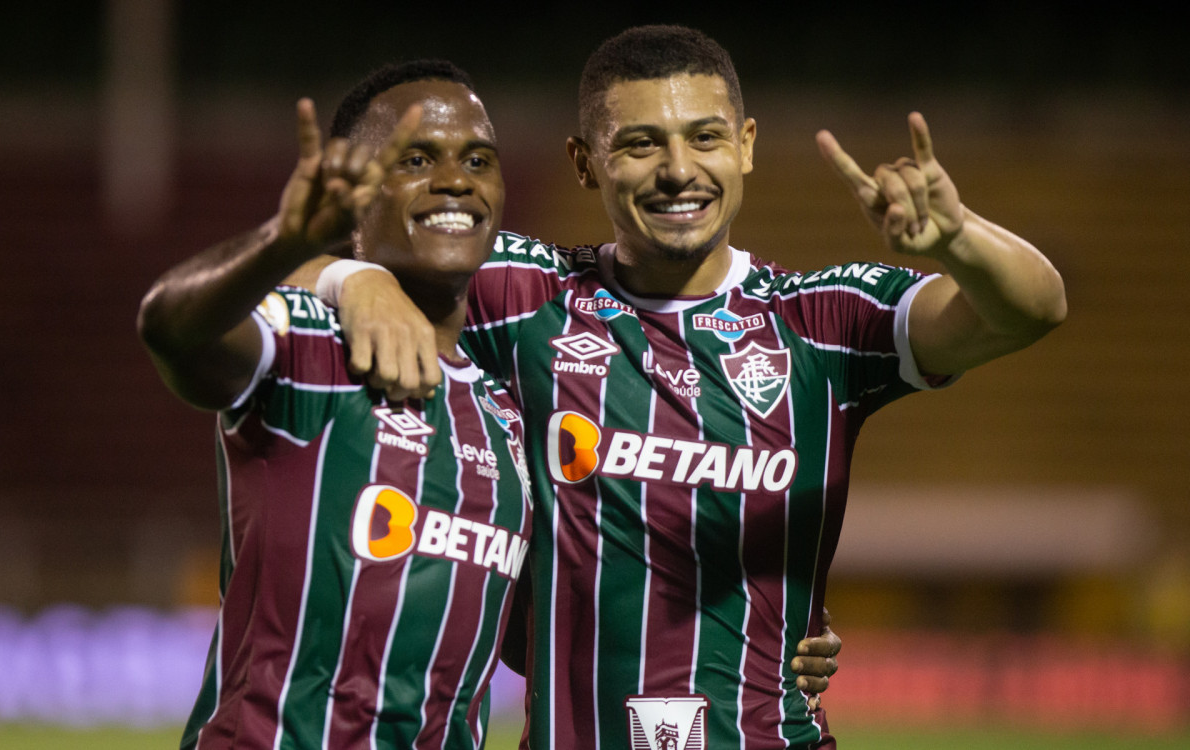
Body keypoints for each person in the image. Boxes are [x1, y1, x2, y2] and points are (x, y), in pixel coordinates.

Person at [320, 24, 1044, 749]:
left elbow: (1028, 310)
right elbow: (296, 266)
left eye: (705, 138)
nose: (678, 170)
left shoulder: (822, 319)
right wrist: (355, 280)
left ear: (747, 144)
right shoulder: (521, 296)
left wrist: (958, 239)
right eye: (640, 144)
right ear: (584, 162)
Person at [136, 60, 535, 749]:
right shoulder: (308, 343)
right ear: (358, 201)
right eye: (416, 158)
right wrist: (291, 246)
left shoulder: (507, 412)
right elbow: (171, 327)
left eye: (478, 159)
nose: (456, 180)